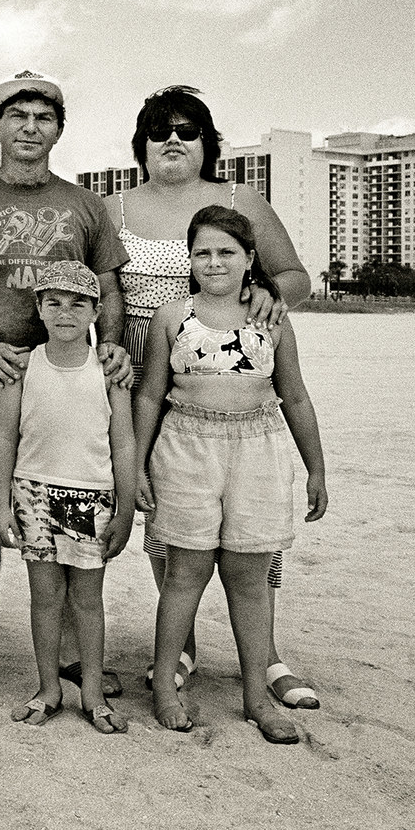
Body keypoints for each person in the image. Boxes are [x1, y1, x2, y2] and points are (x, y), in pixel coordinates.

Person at [108, 86, 319, 709]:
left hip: (227, 366)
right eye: (160, 130)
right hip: (145, 372)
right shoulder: (111, 206)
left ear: (208, 144)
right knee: (167, 519)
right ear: (142, 144)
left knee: (251, 530)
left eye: (188, 130)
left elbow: (294, 276)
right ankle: (183, 647)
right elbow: (104, 292)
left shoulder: (240, 200)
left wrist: (267, 296)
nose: (174, 140)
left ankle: (269, 653)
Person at [0, 71, 130, 701]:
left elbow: (111, 287)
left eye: (44, 118)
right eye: (18, 118)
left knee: (70, 506)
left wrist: (110, 349)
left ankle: (69, 654)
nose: (30, 129)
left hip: (69, 378)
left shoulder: (86, 205)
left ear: (58, 131)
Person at [134, 207, 328, 744]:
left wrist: (316, 467)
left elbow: (295, 393)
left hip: (258, 450)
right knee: (184, 574)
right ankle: (167, 689)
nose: (214, 262)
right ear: (189, 261)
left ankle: (254, 698)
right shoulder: (173, 318)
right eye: (202, 252)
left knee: (249, 579)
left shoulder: (271, 318)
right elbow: (151, 393)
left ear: (249, 261)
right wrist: (138, 465)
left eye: (227, 252)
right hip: (186, 449)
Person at [0, 262, 135, 732]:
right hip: (32, 493)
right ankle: (48, 688)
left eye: (78, 304)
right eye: (54, 302)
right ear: (39, 308)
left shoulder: (109, 373)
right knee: (45, 597)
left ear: (96, 311)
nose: (65, 313)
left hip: (90, 497)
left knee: (88, 601)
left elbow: (124, 442)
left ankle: (92, 692)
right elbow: (5, 438)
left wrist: (126, 507)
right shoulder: (23, 367)